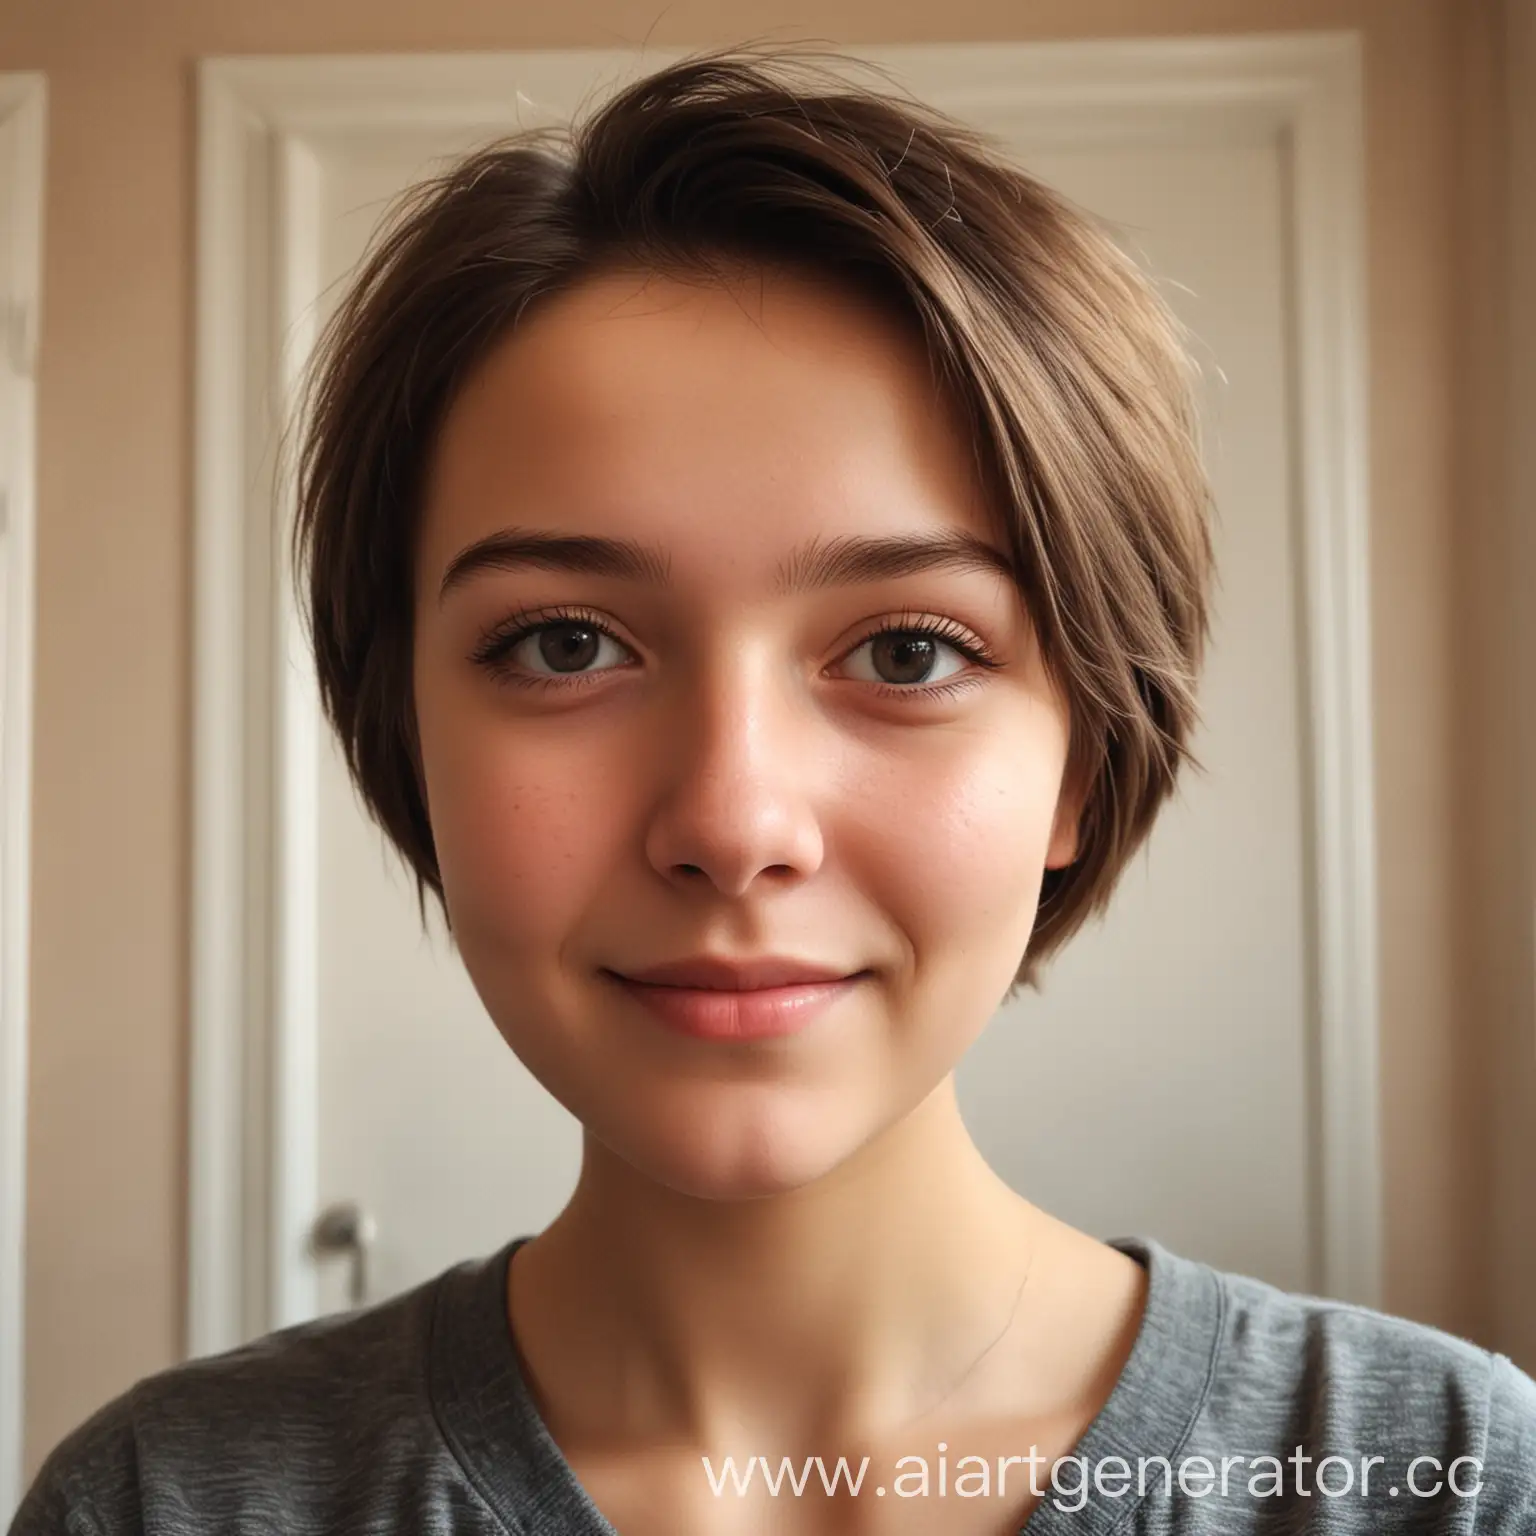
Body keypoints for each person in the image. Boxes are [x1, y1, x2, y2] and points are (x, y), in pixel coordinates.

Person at [12, 42, 1535, 1536]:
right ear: (404, 726)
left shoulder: (1453, 1479)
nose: (734, 825)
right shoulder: (165, 1504)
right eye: (565, 643)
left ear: (1086, 754)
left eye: (909, 652)